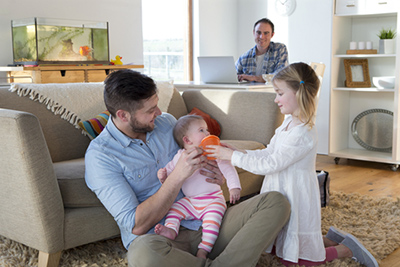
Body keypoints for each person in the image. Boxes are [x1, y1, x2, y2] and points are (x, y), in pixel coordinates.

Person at [85, 69, 291, 267]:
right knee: (142, 255)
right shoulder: (101, 156)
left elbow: (204, 160)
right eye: (150, 110)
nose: (158, 112)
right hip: (162, 241)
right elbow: (136, 225)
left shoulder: (166, 123)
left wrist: (217, 174)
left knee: (275, 202)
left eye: (156, 105)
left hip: (206, 223)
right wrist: (177, 175)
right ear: (123, 115)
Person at [205, 62, 378, 267]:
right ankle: (329, 239)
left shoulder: (303, 133)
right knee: (286, 246)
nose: (275, 99)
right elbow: (269, 151)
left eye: (279, 93)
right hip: (281, 189)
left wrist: (231, 157)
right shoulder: (287, 123)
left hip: (296, 194)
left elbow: (271, 163)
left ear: (298, 93)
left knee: (301, 259)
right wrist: (236, 151)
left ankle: (344, 249)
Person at [155, 114, 241, 259]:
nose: (208, 133)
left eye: (207, 130)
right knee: (174, 209)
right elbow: (170, 171)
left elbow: (228, 168)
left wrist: (234, 187)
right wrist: (162, 175)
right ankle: (171, 230)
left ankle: (204, 249)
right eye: (202, 130)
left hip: (213, 200)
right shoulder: (180, 156)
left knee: (212, 223)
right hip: (191, 201)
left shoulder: (213, 152)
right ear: (187, 140)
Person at [236, 18, 288, 83]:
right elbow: (232, 77)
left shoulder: (280, 49)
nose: (261, 37)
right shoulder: (243, 58)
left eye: (266, 33)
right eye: (258, 32)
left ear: (272, 35)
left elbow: (281, 76)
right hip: (249, 93)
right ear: (254, 33)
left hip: (272, 93)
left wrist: (254, 78)